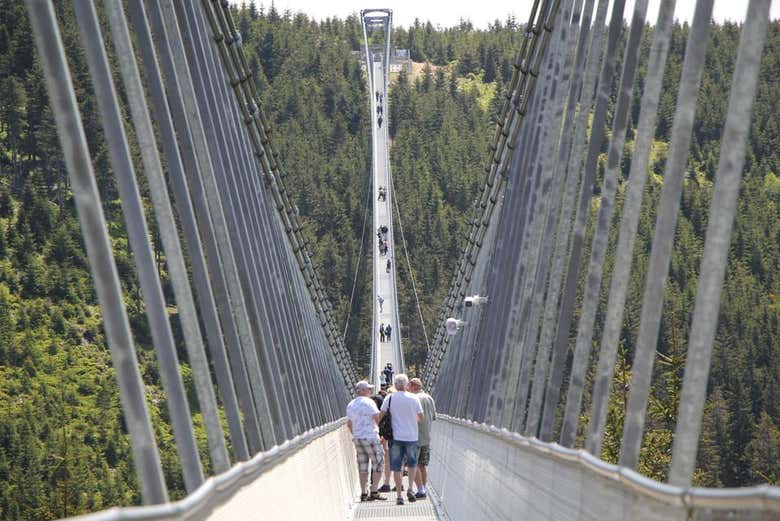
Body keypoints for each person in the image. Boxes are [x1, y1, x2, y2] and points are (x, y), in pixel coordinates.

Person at [379, 374, 423, 505]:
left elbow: (381, 415)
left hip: (396, 437)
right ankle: (410, 488)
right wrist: (411, 420)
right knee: (412, 464)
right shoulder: (414, 398)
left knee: (396, 467)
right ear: (406, 384)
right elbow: (421, 417)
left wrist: (377, 429)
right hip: (412, 437)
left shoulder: (390, 397)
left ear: (395, 384)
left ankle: (399, 496)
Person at [346, 381, 387, 502]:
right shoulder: (369, 402)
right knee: (379, 463)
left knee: (362, 466)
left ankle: (363, 493)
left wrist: (356, 434)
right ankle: (374, 491)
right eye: (368, 389)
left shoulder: (351, 404)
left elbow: (349, 424)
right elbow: (377, 418)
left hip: (358, 438)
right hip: (371, 437)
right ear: (362, 391)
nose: (370, 391)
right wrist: (378, 432)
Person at [409, 378, 436, 499]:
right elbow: (433, 417)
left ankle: (420, 489)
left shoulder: (414, 399)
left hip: (414, 436)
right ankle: (423, 490)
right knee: (422, 465)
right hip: (426, 437)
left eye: (409, 386)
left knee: (412, 464)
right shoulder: (429, 398)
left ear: (413, 386)